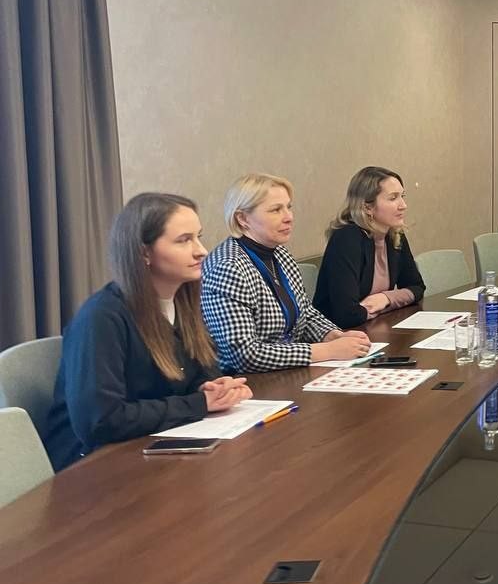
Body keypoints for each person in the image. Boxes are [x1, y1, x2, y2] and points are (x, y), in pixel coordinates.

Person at [44, 193, 253, 471]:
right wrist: (199, 403)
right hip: (92, 467)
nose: (201, 251)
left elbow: (192, 376)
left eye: (198, 237)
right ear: (144, 253)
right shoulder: (101, 317)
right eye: (184, 240)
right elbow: (100, 421)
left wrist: (214, 388)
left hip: (153, 447)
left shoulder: (184, 303)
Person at [201, 173, 370, 372]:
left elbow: (305, 313)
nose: (289, 217)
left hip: (286, 372)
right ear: (242, 218)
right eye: (276, 210)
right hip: (246, 381)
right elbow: (244, 355)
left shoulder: (280, 253)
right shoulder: (227, 267)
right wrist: (326, 351)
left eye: (288, 207)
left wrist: (332, 335)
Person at [313, 167, 426, 328]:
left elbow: (417, 287)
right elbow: (347, 314)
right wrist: (391, 303)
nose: (403, 205)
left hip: (372, 328)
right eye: (393, 198)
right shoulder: (347, 238)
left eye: (403, 196)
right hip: (337, 334)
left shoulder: (394, 234)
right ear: (367, 207)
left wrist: (386, 299)